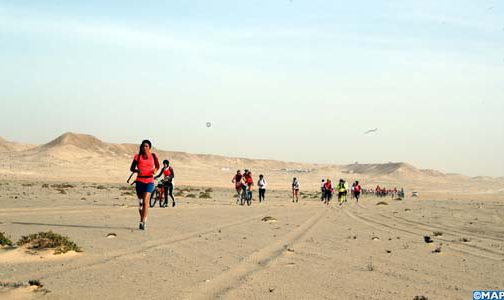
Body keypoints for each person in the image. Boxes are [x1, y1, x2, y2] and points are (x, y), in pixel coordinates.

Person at [130, 140, 160, 230]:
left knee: (146, 201)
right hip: (139, 181)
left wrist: (155, 170)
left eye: (146, 146)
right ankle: (141, 219)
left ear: (149, 147)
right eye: (143, 146)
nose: (145, 147)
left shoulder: (153, 156)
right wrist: (136, 170)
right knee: (141, 204)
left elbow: (158, 166)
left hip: (149, 181)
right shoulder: (137, 157)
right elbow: (131, 168)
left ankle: (144, 221)